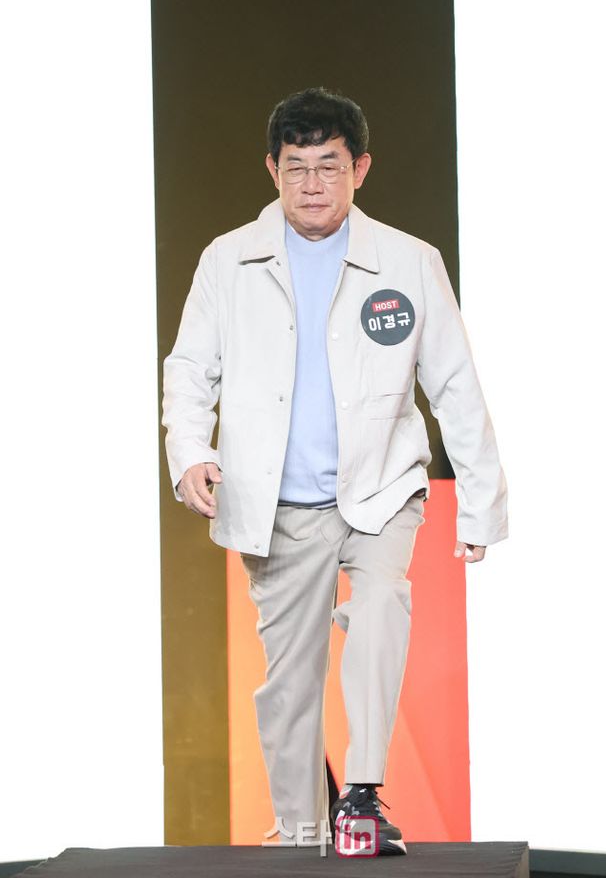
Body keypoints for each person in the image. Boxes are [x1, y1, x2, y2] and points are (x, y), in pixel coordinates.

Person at [162, 87, 508, 856]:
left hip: (381, 486)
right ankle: (299, 834)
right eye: (296, 167)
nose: (312, 183)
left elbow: (454, 383)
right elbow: (188, 369)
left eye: (329, 166)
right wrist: (190, 452)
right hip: (277, 501)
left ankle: (361, 793)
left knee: (382, 604)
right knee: (290, 682)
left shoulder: (409, 261)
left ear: (361, 169)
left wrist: (482, 505)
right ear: (272, 169)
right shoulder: (227, 260)